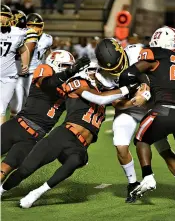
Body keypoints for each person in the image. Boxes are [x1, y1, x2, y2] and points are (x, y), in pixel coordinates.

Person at [0, 60, 139, 208]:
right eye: (92, 71)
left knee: (77, 160)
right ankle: (1, 190)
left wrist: (138, 95)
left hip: (80, 145)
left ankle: (37, 193)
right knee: (25, 169)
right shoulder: (79, 83)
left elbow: (116, 101)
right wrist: (127, 89)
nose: (95, 74)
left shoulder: (103, 93)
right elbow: (99, 98)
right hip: (63, 135)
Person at [95, 37, 175, 202]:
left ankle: (148, 176)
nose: (117, 72)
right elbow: (116, 103)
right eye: (112, 70)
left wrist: (146, 87)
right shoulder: (101, 75)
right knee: (120, 145)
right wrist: (133, 101)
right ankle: (132, 183)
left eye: (119, 65)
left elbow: (155, 71)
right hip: (129, 107)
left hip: (152, 105)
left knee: (164, 150)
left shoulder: (137, 51)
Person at [1, 50, 82, 182]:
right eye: (65, 66)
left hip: (34, 138)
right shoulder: (44, 69)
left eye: (70, 66)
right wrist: (69, 72)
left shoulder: (72, 87)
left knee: (4, 169)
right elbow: (48, 84)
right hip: (17, 126)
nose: (68, 69)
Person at [124, 26, 175, 198]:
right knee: (165, 150)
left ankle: (148, 177)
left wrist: (142, 85)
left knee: (141, 140)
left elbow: (129, 73)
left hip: (163, 111)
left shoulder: (154, 54)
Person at [10, 13, 53, 116]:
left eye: (37, 26)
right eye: (31, 25)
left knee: (35, 105)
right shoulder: (19, 36)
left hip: (35, 75)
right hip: (19, 74)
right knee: (16, 108)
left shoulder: (47, 39)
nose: (35, 29)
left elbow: (48, 53)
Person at [0, 5, 29, 125]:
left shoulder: (17, 33)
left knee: (2, 109)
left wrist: (25, 64)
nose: (2, 18)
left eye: (5, 16)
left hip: (8, 78)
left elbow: (24, 50)